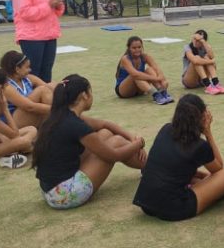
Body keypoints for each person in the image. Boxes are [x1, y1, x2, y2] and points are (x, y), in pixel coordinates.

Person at [32, 74, 147, 210]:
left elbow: (105, 124)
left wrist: (131, 137)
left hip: (50, 190)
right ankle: (151, 168)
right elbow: (114, 156)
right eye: (90, 92)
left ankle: (147, 167)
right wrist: (138, 144)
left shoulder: (60, 115)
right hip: (62, 195)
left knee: (106, 134)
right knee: (115, 142)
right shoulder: (75, 124)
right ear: (84, 95)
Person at [133, 94, 224, 221]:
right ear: (201, 117)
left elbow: (176, 167)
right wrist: (208, 132)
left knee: (192, 174)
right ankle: (218, 193)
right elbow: (218, 168)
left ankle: (213, 188)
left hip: (146, 202)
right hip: (174, 208)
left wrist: (203, 177)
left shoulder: (165, 129)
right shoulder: (200, 145)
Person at [10, 0, 64, 83]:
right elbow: (25, 12)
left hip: (50, 34)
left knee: (47, 70)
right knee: (33, 71)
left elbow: (53, 6)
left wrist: (58, 5)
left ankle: (46, 99)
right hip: (31, 37)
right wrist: (48, 5)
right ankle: (32, 99)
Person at [0, 50, 54, 129]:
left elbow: (49, 88)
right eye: (27, 67)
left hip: (27, 116)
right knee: (42, 90)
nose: (30, 70)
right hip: (12, 122)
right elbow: (29, 107)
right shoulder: (6, 86)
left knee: (52, 85)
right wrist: (59, 109)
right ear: (17, 69)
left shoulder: (28, 78)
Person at [115, 36, 173, 105]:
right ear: (129, 48)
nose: (137, 50)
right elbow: (135, 74)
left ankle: (162, 91)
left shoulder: (145, 56)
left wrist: (163, 80)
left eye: (139, 47)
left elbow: (157, 68)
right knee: (136, 75)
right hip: (124, 91)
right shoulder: (125, 58)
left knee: (149, 69)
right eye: (134, 48)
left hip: (139, 89)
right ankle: (155, 95)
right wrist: (156, 78)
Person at [182, 30, 224, 95]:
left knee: (207, 57)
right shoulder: (187, 47)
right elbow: (195, 61)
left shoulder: (205, 46)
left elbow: (212, 56)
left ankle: (216, 83)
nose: (195, 42)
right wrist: (210, 61)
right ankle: (208, 85)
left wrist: (203, 42)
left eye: (199, 40)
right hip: (189, 81)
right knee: (197, 58)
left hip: (201, 82)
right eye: (195, 39)